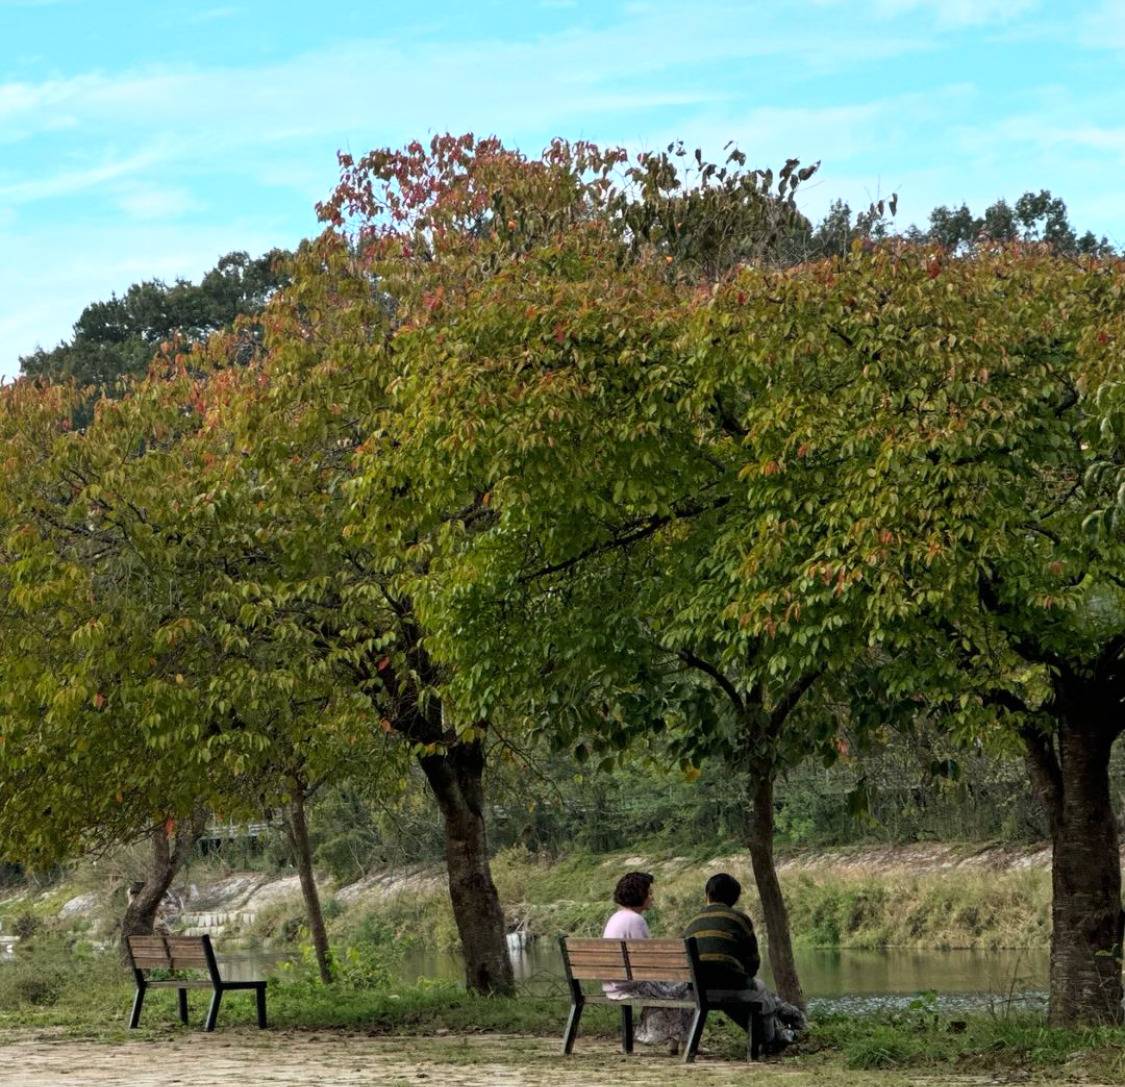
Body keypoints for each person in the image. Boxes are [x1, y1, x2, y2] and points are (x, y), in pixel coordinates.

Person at [683, 872, 806, 1054]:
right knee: (760, 989)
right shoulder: (739, 919)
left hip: (696, 990)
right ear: (735, 899)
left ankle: (782, 1025)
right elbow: (753, 962)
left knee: (752, 992)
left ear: (707, 895)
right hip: (732, 987)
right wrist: (742, 975)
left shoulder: (692, 923)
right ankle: (773, 1036)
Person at [602, 871, 693, 1053]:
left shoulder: (617, 917)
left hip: (613, 984)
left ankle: (675, 1042)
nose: (652, 897)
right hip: (631, 985)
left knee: (677, 985)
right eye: (649, 893)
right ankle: (684, 1042)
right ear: (639, 894)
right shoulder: (636, 920)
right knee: (687, 986)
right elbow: (648, 963)